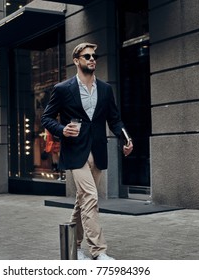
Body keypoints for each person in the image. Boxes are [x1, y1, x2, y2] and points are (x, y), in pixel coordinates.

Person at [41, 42, 133, 260]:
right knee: (91, 197)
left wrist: (126, 138)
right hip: (75, 152)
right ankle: (98, 251)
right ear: (76, 61)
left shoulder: (105, 89)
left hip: (98, 150)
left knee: (83, 199)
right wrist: (63, 130)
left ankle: (73, 246)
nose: (92, 59)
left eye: (94, 56)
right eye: (87, 56)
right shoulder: (62, 89)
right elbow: (46, 117)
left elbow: (115, 119)